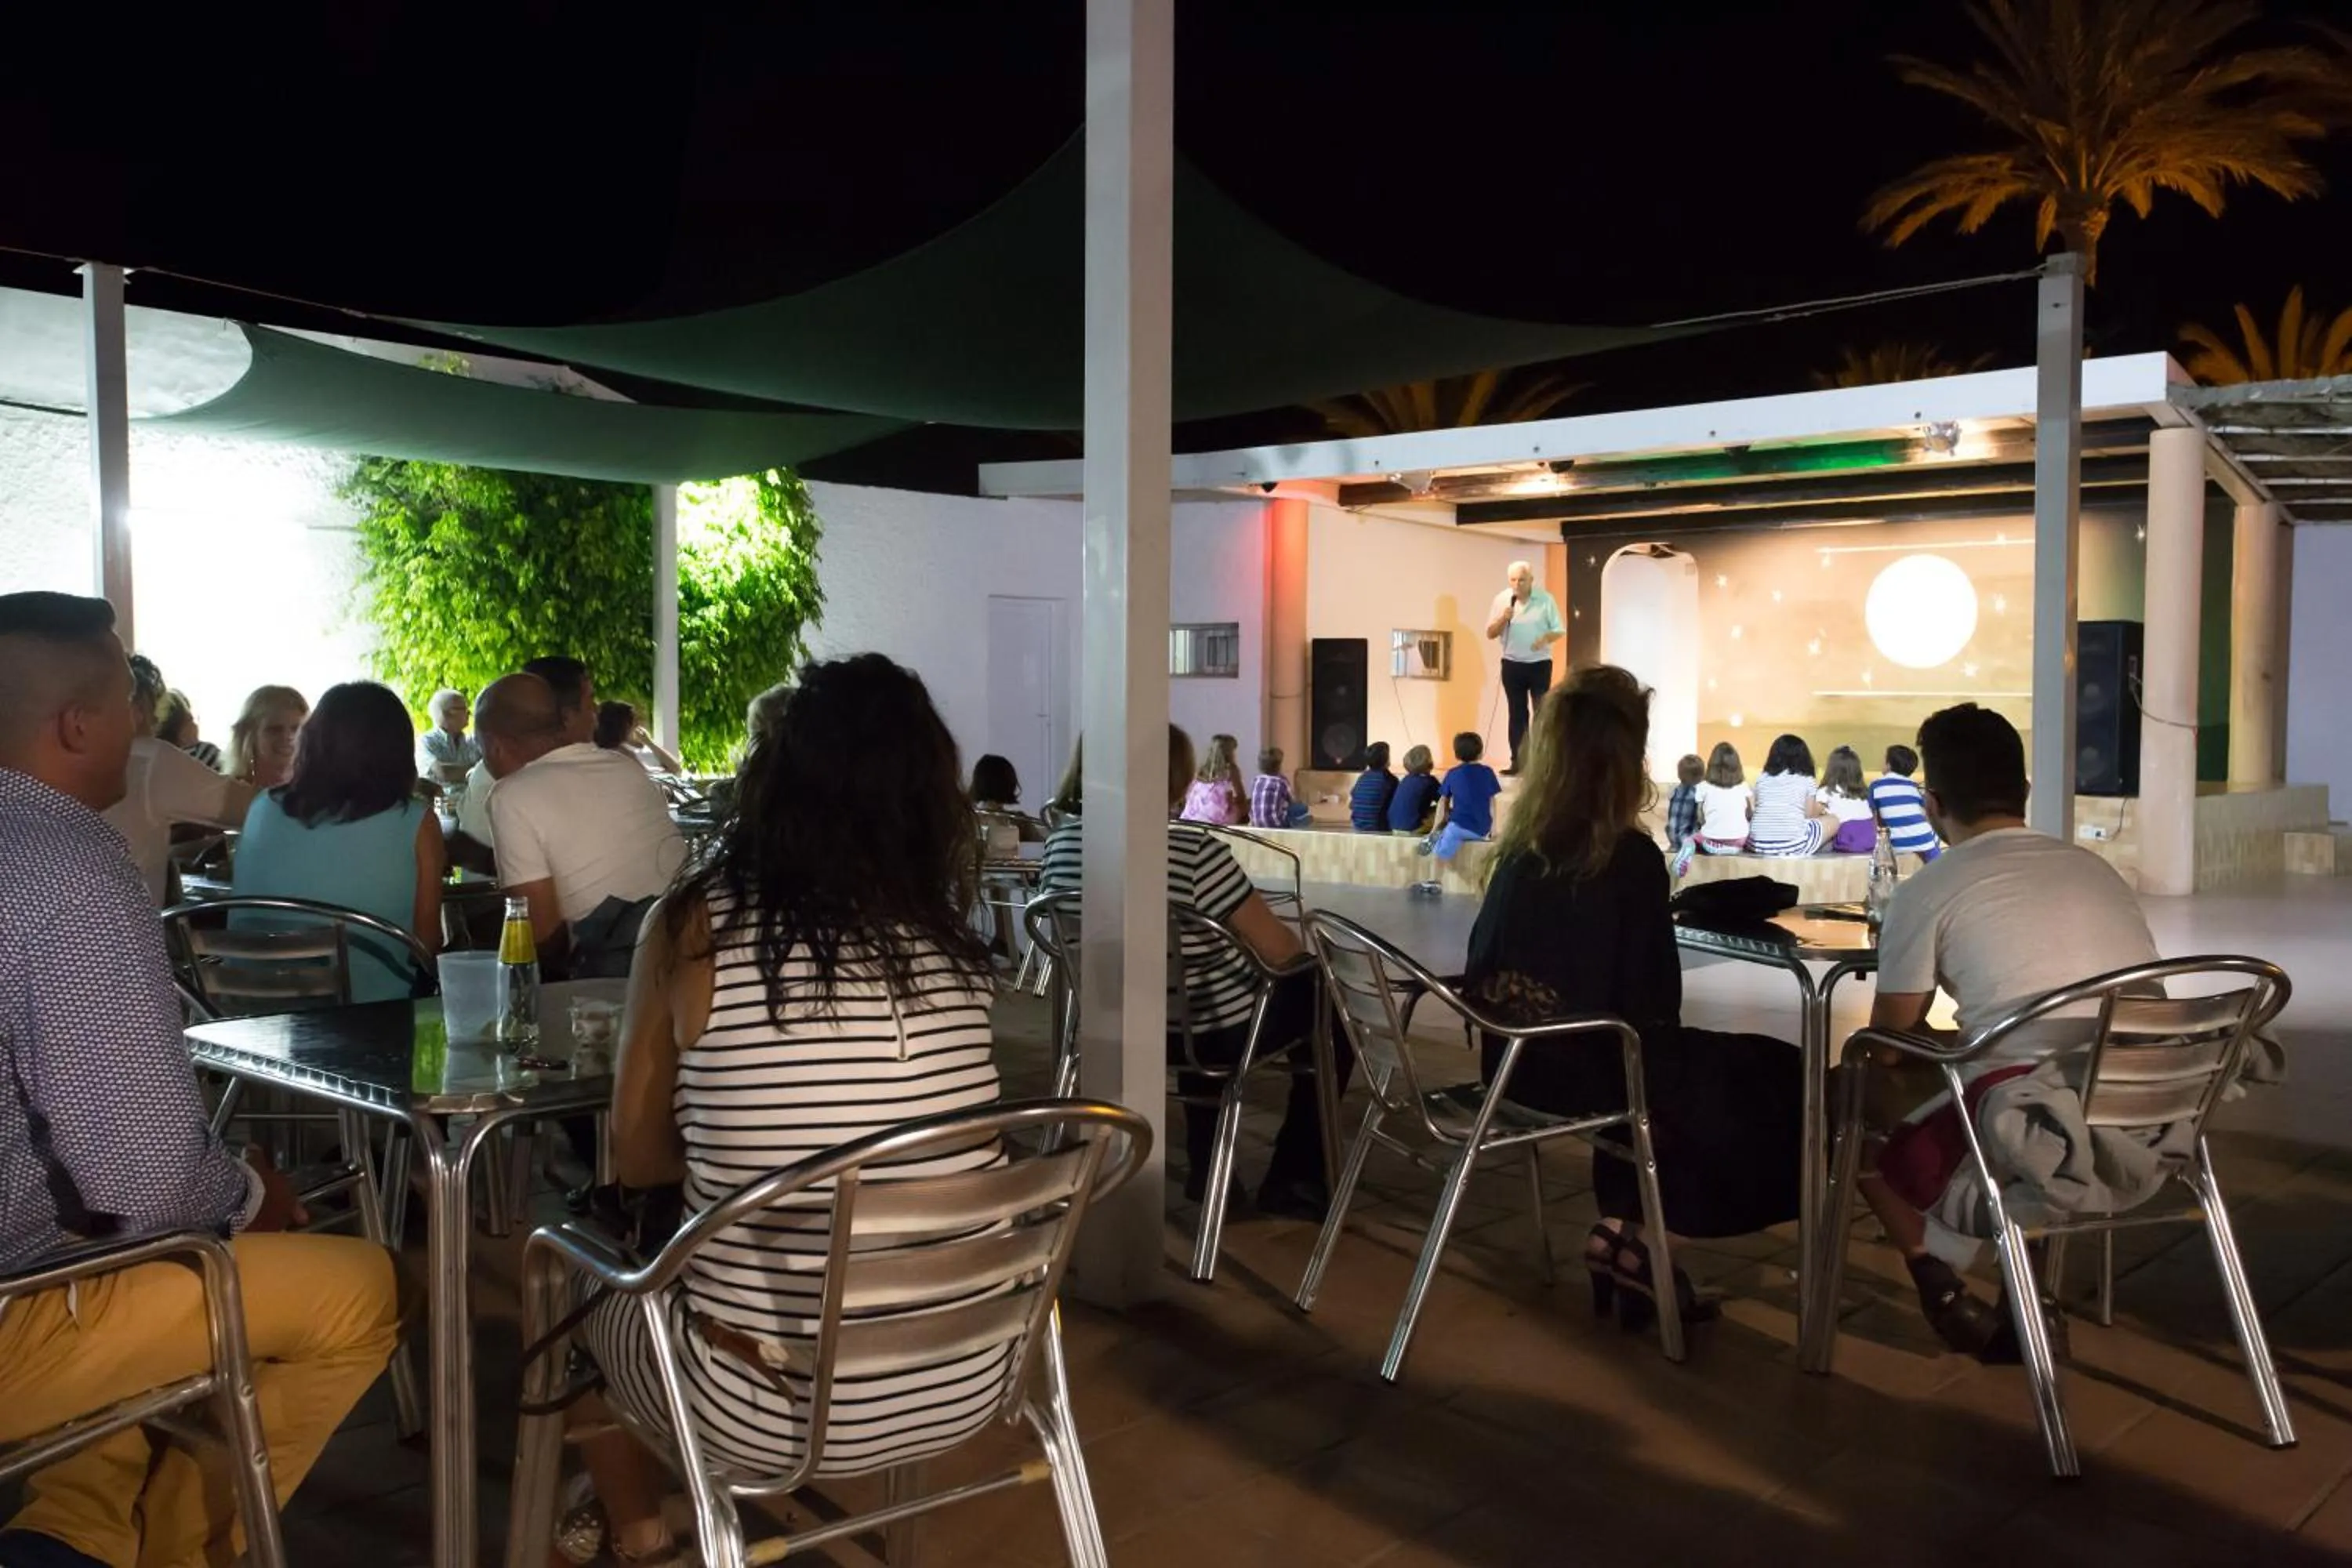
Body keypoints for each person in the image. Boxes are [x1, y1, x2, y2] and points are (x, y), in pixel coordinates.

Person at [553, 655, 1008, 1567]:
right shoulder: (955, 944)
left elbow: (637, 1160)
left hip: (762, 1411)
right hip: (974, 1374)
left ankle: (637, 1523)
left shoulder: (696, 922)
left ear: (773, 780)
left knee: (572, 1279)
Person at [0, 591, 397, 1568]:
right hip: (19, 1305)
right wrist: (254, 1194)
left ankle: (72, 1533)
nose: (142, 723)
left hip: (43, 1257)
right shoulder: (69, 868)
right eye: (127, 705)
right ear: (78, 724)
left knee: (141, 1261)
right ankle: (189, 1552)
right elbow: (144, 1181)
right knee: (363, 1288)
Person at [1464, 664, 1802, 1330]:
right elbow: (1653, 1004)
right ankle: (1644, 1246)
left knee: (1660, 1068)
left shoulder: (1519, 855)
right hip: (1587, 1067)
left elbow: (1486, 966)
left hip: (1512, 1067)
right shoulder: (1627, 860)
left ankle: (1624, 1233)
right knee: (1774, 1079)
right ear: (1627, 759)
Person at [1855, 702, 2161, 1358]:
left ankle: (1936, 1278)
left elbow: (1886, 1044)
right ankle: (2033, 1292)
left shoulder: (1930, 889)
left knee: (1846, 1093)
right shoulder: (2097, 871)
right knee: (2018, 1069)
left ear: (1932, 803)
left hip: (2023, 1121)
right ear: (2023, 791)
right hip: (2147, 1114)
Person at [1038, 725, 1348, 1218]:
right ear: (1177, 778)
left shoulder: (1061, 846)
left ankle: (1212, 1172)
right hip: (1198, 1030)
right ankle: (1296, 1178)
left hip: (1109, 1022)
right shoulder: (1194, 852)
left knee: (1192, 991)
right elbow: (1282, 950)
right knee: (1320, 1009)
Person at [232, 681, 446, 1003]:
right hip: (367, 1018)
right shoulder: (416, 820)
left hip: (246, 1009)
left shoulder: (263, 807)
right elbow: (426, 946)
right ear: (398, 749)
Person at [478, 673, 685, 977]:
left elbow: (540, 934)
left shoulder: (510, 796)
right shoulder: (624, 766)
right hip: (685, 949)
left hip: (612, 978)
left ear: (494, 744)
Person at [101, 652, 256, 904]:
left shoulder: (47, 760)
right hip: (133, 931)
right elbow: (255, 811)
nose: (155, 722)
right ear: (138, 710)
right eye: (153, 711)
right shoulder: (149, 759)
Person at [1484, 560, 1564, 774]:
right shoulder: (1502, 600)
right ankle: (1519, 762)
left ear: (1531, 580)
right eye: (1513, 580)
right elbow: (1490, 633)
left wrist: (1543, 639)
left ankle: (1542, 765)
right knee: (1517, 714)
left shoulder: (1546, 600)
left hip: (1539, 664)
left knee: (1542, 714)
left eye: (1521, 580)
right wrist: (1504, 617)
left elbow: (1559, 630)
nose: (1517, 584)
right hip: (1512, 664)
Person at [1419, 731, 1501, 862]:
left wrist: (1435, 827)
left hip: (1458, 827)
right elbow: (1492, 802)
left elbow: (1442, 802)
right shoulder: (1488, 772)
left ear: (1457, 754)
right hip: (1481, 830)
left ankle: (1437, 844)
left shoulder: (1453, 773)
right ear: (1480, 752)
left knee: (1439, 854)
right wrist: (1494, 828)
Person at [1747, 733, 1827, 856]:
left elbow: (1758, 808)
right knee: (1834, 820)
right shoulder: (1807, 780)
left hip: (1757, 844)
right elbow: (1808, 816)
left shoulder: (1762, 779)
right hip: (1791, 845)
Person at [226, 684, 309, 789]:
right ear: (248, 735)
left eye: (296, 729)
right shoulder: (227, 791)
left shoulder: (313, 792)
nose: (288, 736)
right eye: (275, 730)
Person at [1870, 743, 1943, 862]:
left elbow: (1875, 818)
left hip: (1896, 844)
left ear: (1889, 765)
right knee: (1934, 846)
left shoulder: (1876, 786)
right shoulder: (1914, 787)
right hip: (1923, 839)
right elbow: (1928, 810)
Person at [593, 700, 683, 776]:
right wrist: (664, 773)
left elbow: (676, 768)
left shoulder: (648, 745)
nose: (638, 724)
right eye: (634, 720)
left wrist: (650, 743)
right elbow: (644, 775)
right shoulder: (620, 750)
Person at [416, 687, 482, 789]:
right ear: (446, 714)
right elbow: (442, 772)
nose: (469, 713)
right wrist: (477, 769)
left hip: (471, 802)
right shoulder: (426, 742)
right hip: (441, 803)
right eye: (463, 709)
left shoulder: (472, 742)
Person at [1816, 744, 1877, 853]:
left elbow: (1814, 817)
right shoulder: (1862, 793)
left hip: (1847, 840)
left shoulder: (1825, 791)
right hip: (1869, 838)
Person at [525, 655, 597, 746]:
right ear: (566, 718)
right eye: (591, 700)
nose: (596, 710)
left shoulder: (512, 757)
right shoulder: (609, 759)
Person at [1178, 732, 1247, 825]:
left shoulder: (1201, 771)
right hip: (1216, 823)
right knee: (1243, 807)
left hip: (1189, 820)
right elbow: (1241, 797)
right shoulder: (1231, 770)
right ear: (1230, 753)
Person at [154, 687, 220, 771]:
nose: (196, 725)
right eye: (191, 720)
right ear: (181, 734)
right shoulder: (204, 752)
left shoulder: (159, 765)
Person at [1387, 744, 1440, 835]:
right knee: (1445, 813)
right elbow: (1442, 800)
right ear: (1429, 762)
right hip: (1412, 828)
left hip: (1393, 826)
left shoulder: (1406, 779)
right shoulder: (1430, 781)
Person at [1348, 741, 1396, 832]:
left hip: (1357, 827)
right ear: (1386, 759)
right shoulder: (1389, 779)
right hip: (1378, 829)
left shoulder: (1363, 778)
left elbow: (1351, 804)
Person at [1662, 753, 1704, 853]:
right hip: (1688, 841)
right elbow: (1701, 819)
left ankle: (1675, 846)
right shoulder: (1698, 794)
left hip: (1673, 839)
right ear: (1701, 776)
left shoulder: (1674, 791)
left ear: (1679, 775)